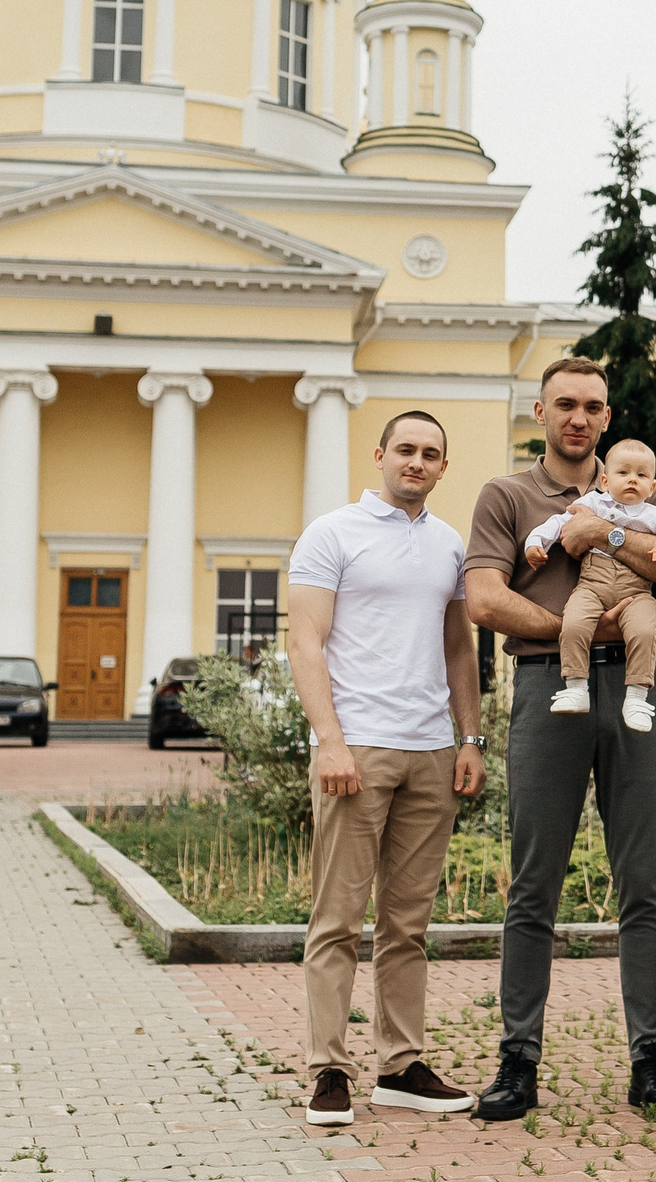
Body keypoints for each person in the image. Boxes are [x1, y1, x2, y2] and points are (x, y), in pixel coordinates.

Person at [462, 357, 656, 1121]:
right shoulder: (507, 494)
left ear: (606, 414)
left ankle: (650, 1057)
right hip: (548, 685)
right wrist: (574, 624)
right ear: (540, 411)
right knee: (534, 883)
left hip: (634, 686)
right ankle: (518, 1057)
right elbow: (485, 597)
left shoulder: (640, 482)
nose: (579, 416)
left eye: (592, 405)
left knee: (646, 882)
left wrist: (605, 531)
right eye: (565, 403)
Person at [283, 410, 488, 1129]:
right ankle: (329, 1069)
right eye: (406, 448)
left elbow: (460, 648)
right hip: (358, 748)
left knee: (407, 922)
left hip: (432, 750)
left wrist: (472, 737)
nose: (417, 461)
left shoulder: (448, 544)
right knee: (337, 918)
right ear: (380, 454)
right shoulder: (332, 533)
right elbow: (304, 640)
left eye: (431, 452)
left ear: (442, 466)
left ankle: (401, 1065)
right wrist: (330, 740)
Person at [521, 438, 656, 730]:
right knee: (574, 623)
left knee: (644, 631)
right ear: (604, 480)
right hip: (592, 584)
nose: (632, 480)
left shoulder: (652, 514)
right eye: (623, 473)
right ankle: (576, 687)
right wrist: (535, 542)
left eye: (642, 475)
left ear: (652, 488)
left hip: (636, 591)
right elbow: (558, 522)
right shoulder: (592, 503)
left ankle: (638, 697)